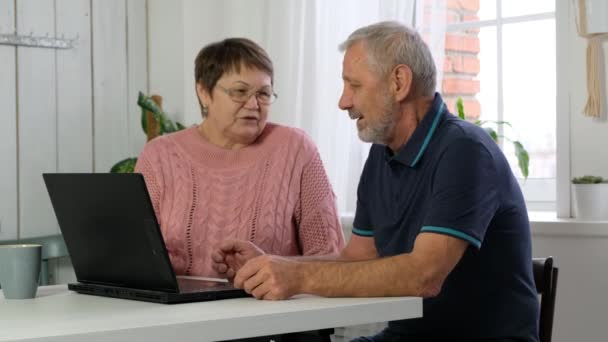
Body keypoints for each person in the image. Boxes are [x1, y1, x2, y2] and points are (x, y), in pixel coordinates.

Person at [212, 22, 540, 342]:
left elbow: (423, 276)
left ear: (399, 82)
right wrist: (272, 266)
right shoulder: (382, 155)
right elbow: (357, 259)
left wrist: (297, 276)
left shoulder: (465, 151)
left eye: (353, 85)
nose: (344, 102)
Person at [135, 37, 344, 280]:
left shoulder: (296, 149)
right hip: (177, 313)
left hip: (271, 310)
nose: (254, 104)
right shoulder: (159, 156)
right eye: (240, 92)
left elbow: (330, 257)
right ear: (204, 92)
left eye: (264, 94)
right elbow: (136, 254)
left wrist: (271, 266)